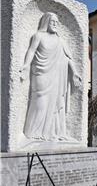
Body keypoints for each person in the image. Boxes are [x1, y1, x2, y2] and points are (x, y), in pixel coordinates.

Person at [20, 12, 81, 141]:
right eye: (52, 21)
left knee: (55, 105)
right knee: (40, 101)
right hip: (41, 74)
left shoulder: (60, 40)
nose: (55, 24)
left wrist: (75, 73)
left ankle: (52, 133)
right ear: (46, 22)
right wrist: (26, 66)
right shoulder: (38, 36)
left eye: (57, 22)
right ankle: (32, 132)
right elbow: (31, 51)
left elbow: (68, 58)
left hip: (57, 77)